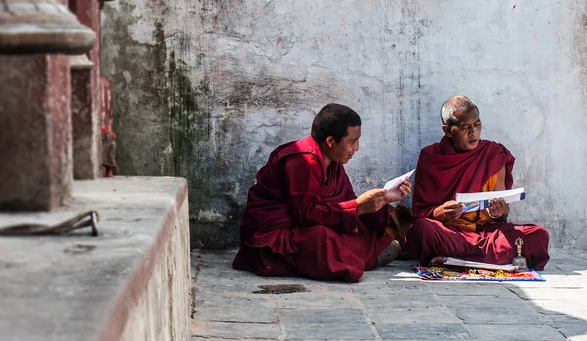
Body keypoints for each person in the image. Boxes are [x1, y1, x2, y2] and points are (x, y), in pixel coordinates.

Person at [232, 103, 411, 283]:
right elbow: (304, 214)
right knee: (321, 238)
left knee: (355, 232)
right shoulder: (302, 161)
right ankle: (366, 256)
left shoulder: (334, 163)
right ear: (330, 141)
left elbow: (346, 204)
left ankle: (362, 254)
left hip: (310, 225)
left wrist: (384, 198)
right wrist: (356, 207)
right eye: (351, 142)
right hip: (275, 236)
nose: (356, 148)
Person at [406, 96, 550, 270]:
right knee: (422, 229)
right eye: (466, 127)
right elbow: (419, 214)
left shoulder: (493, 154)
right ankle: (486, 260)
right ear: (448, 130)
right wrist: (441, 211)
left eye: (477, 124)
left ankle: (453, 259)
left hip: (485, 235)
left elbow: (502, 214)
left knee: (538, 235)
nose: (473, 132)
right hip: (450, 233)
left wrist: (499, 212)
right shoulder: (431, 157)